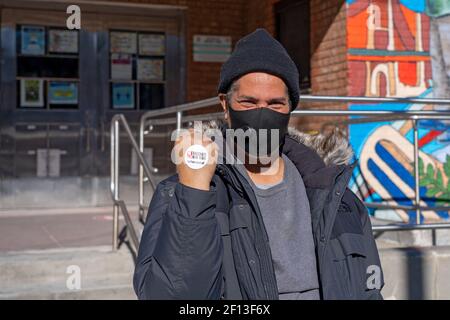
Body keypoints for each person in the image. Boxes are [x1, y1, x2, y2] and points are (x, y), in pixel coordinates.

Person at [134, 28, 384, 300]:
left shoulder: (335, 197)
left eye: (275, 104)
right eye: (248, 102)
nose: (262, 114)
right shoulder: (182, 194)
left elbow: (367, 291)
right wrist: (194, 192)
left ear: (290, 109)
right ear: (225, 106)